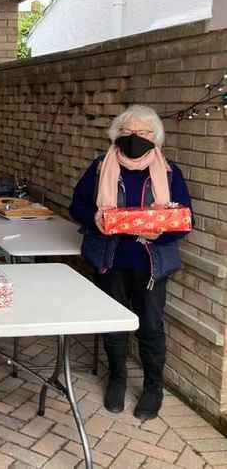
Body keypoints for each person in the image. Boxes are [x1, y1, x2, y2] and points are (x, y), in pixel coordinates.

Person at [70, 104, 191, 420]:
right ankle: (117, 379)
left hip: (151, 263)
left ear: (156, 137)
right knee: (113, 322)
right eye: (127, 132)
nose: (134, 138)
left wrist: (158, 233)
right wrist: (94, 218)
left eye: (143, 133)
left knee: (150, 325)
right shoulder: (100, 167)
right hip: (110, 258)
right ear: (116, 135)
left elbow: (183, 218)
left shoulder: (169, 173)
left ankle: (153, 387)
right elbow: (77, 205)